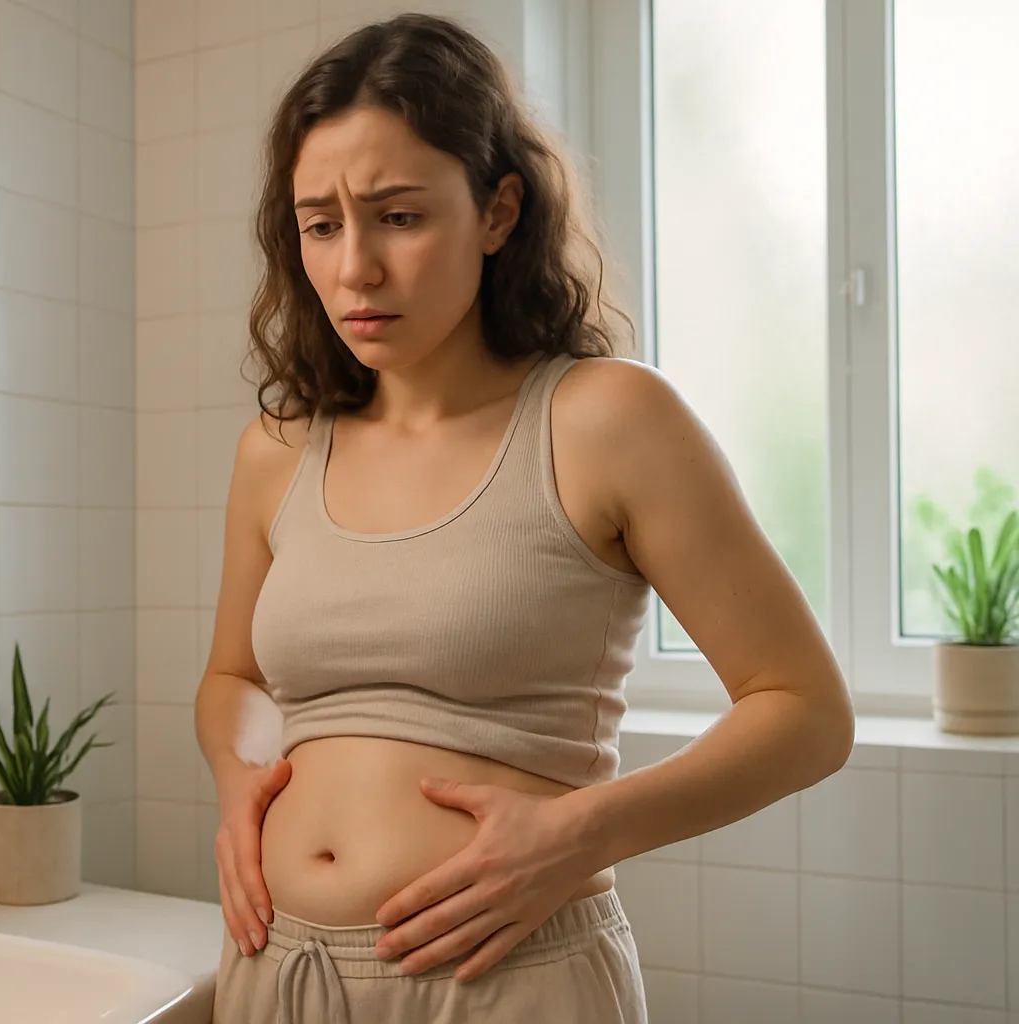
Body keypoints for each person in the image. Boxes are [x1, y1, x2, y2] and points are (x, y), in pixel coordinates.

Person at [197, 14, 854, 1022]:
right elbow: (236, 675)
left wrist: (582, 833)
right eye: (320, 225)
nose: (354, 268)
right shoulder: (275, 451)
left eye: (399, 217)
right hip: (278, 972)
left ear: (499, 211)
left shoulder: (607, 419)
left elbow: (806, 711)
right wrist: (237, 774)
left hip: (506, 980)